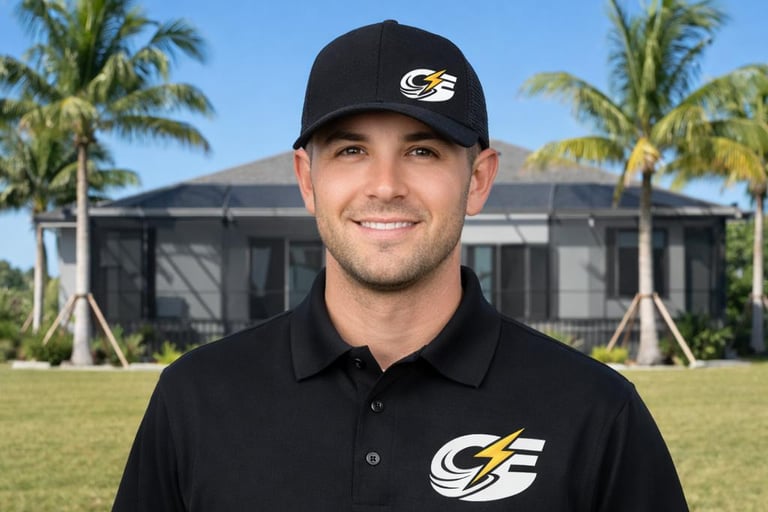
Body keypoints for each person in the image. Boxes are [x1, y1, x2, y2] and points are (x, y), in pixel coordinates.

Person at [113, 20, 688, 511]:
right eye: (351, 151)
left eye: (422, 151)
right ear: (307, 180)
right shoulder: (194, 399)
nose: (385, 186)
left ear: (479, 179)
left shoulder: (596, 414)